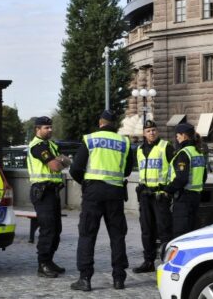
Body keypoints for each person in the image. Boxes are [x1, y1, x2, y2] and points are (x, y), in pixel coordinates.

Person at [69, 110, 134, 292]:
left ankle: (85, 279)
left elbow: (75, 168)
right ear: (116, 124)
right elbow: (127, 170)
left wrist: (86, 183)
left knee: (87, 235)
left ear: (100, 122)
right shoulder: (124, 142)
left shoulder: (90, 139)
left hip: (93, 193)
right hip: (115, 193)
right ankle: (119, 279)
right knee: (117, 235)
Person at [27, 116, 71, 278]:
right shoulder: (37, 146)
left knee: (56, 229)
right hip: (42, 191)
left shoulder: (51, 145)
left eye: (51, 127)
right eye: (46, 128)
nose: (50, 130)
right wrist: (59, 160)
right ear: (37, 129)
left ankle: (50, 261)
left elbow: (67, 161)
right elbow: (56, 166)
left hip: (52, 191)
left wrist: (60, 160)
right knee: (48, 228)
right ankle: (42, 264)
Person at [132, 119, 174, 274]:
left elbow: (174, 169)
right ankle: (148, 261)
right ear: (144, 133)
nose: (152, 133)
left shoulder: (166, 147)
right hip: (144, 195)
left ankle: (167, 262)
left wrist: (169, 190)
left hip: (160, 195)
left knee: (164, 230)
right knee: (146, 230)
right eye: (148, 131)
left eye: (154, 130)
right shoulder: (139, 149)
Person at [164, 123, 207, 239]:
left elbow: (181, 179)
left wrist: (167, 189)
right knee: (192, 233)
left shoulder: (184, 153)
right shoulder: (198, 152)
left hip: (184, 198)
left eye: (177, 135)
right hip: (196, 197)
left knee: (180, 234)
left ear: (184, 136)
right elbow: (204, 176)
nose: (176, 138)